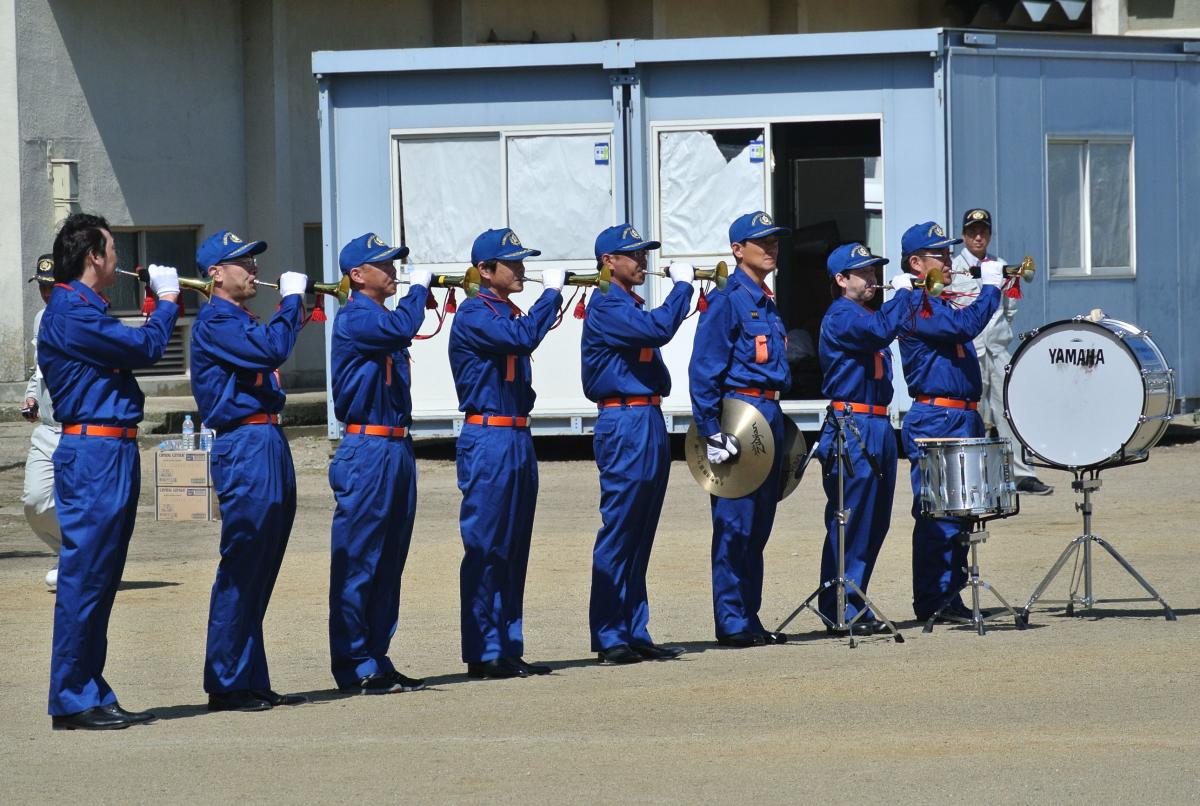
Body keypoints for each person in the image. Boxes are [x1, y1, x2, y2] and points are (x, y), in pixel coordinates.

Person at [39, 213, 180, 730]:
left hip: (110, 452)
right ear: (93, 256)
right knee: (87, 580)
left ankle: (88, 688)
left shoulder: (84, 310)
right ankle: (73, 696)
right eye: (112, 248)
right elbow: (145, 349)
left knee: (100, 580)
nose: (118, 257)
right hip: (94, 453)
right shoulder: (72, 311)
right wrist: (167, 302)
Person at [190, 230, 309, 712]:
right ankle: (226, 680)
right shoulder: (217, 319)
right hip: (243, 442)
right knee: (242, 566)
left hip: (266, 438)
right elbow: (271, 352)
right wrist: (294, 302)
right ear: (216, 273)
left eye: (253, 261)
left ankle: (248, 674)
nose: (253, 270)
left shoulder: (239, 317)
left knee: (262, 565)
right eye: (242, 262)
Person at [448, 227, 564, 679]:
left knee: (514, 547)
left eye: (521, 262)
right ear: (485, 271)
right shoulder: (477, 313)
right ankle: (483, 649)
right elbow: (522, 339)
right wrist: (551, 294)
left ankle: (507, 644)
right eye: (511, 263)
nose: (521, 270)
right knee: (486, 547)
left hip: (515, 435)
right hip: (489, 436)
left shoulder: (503, 310)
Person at [581, 224, 693, 665]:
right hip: (623, 418)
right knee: (621, 528)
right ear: (609, 261)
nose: (642, 261)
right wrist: (683, 286)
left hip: (644, 415)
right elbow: (661, 329)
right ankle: (610, 633)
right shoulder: (608, 303)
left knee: (641, 530)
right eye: (633, 254)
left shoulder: (627, 303)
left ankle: (633, 627)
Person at [328, 233, 432, 694]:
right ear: (357, 275)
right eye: (383, 265)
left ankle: (376, 654)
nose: (393, 272)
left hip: (395, 446)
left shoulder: (382, 317)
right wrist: (418, 292)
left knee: (389, 561)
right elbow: (401, 330)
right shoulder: (356, 318)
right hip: (366, 448)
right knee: (360, 561)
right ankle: (353, 663)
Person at [689, 211, 792, 648]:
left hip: (768, 416)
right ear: (737, 250)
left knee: (759, 526)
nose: (770, 248)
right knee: (734, 525)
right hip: (738, 416)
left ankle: (749, 616)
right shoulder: (727, 300)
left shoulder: (765, 300)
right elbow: (704, 371)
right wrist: (712, 432)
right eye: (760, 241)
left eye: (773, 241)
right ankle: (731, 622)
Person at [895, 221, 1003, 621]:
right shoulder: (916, 304)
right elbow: (964, 326)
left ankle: (951, 596)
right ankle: (932, 601)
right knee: (937, 515)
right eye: (938, 254)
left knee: (961, 513)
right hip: (937, 416)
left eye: (945, 253)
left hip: (960, 414)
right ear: (916, 263)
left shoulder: (938, 301)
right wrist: (991, 288)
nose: (947, 259)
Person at [814, 243, 914, 634]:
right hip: (852, 424)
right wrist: (904, 293)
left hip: (877, 423)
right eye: (864, 273)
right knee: (850, 518)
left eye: (874, 272)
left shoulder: (867, 312)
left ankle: (854, 597)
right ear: (841, 280)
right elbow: (880, 332)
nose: (873, 279)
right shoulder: (841, 315)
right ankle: (839, 606)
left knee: (876, 521)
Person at [948, 208, 1052, 495]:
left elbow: (1009, 309)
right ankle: (975, 478)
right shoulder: (955, 268)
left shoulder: (1002, 265)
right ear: (963, 235)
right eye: (972, 231)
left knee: (1009, 410)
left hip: (997, 350)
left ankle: (1021, 474)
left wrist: (999, 337)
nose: (978, 237)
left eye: (983, 231)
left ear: (990, 234)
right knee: (973, 413)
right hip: (969, 351)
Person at [22, 255, 62, 589]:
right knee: (34, 501)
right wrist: (32, 394)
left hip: (80, 428)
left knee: (81, 503)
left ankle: (84, 559)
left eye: (51, 286)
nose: (46, 293)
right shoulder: (40, 319)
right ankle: (71, 551)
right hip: (48, 428)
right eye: (42, 287)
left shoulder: (85, 318)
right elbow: (40, 368)